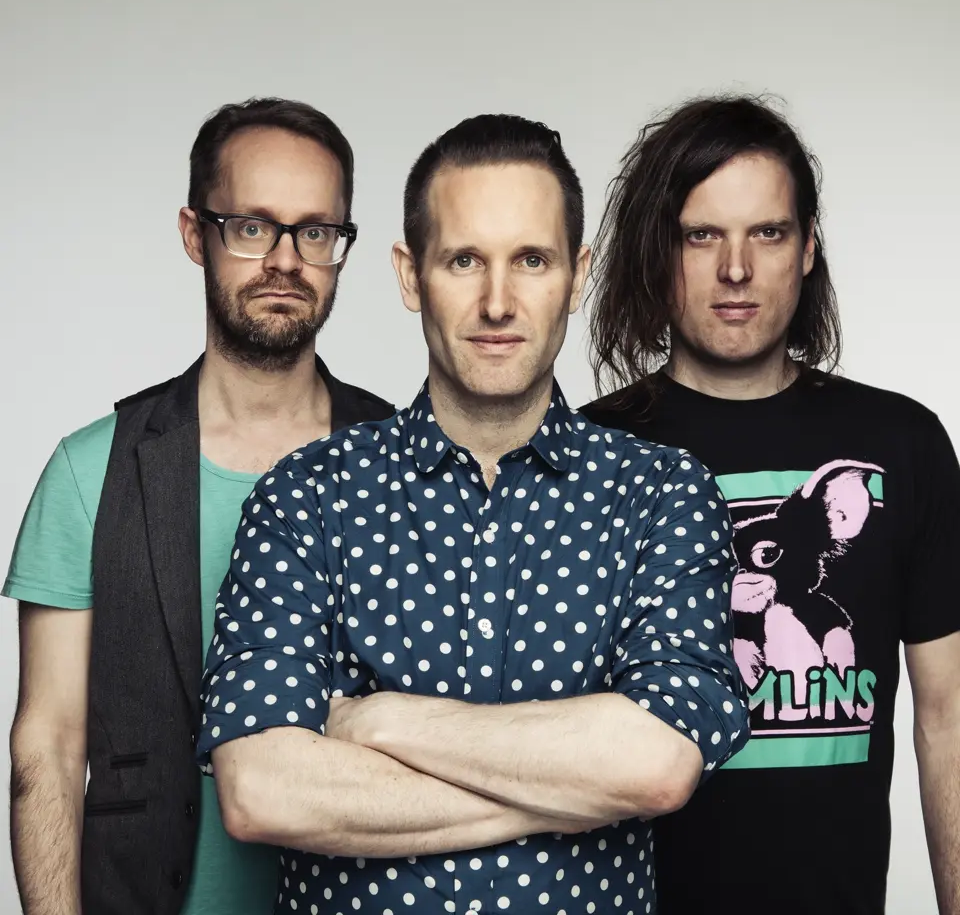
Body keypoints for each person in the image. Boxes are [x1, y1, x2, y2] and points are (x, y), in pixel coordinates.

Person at [193, 112, 749, 915]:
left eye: (531, 259)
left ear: (577, 273)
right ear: (411, 274)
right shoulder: (306, 494)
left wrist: (381, 722)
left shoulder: (659, 492)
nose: (498, 301)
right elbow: (265, 791)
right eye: (463, 261)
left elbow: (657, 765)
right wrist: (571, 788)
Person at [5, 97, 395, 915]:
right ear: (195, 235)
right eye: (252, 226)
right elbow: (47, 743)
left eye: (315, 231)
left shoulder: (403, 462)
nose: (285, 259)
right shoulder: (91, 471)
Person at [581, 95, 960, 915]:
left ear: (810, 247)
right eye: (702, 234)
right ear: (660, 254)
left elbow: (948, 721)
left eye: (769, 233)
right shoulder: (589, 455)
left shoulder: (904, 442)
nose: (737, 270)